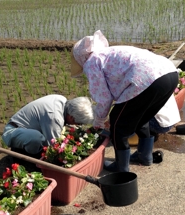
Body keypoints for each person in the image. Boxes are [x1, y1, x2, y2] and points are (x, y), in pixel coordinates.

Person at [71, 30, 178, 172]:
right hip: (169, 73)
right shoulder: (109, 53)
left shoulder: (92, 62)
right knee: (140, 118)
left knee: (117, 124)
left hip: (147, 80)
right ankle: (145, 157)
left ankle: (121, 168)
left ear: (81, 56)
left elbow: (104, 98)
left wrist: (99, 122)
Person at [1, 94, 94, 158]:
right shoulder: (55, 117)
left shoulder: (62, 100)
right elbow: (54, 145)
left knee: (47, 136)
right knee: (37, 139)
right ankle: (24, 155)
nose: (77, 125)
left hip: (27, 129)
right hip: (13, 132)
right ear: (71, 117)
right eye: (78, 123)